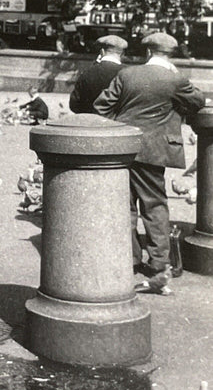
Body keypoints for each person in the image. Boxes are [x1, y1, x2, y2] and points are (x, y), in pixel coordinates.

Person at [94, 33, 205, 274]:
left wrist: (123, 127)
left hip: (124, 148)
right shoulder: (175, 79)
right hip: (154, 151)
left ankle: (130, 257)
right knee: (154, 205)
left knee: (125, 205)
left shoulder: (127, 74)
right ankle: (158, 260)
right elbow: (197, 101)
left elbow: (101, 107)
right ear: (171, 55)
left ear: (147, 52)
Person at [69, 35, 128, 114]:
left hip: (91, 123)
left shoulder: (88, 72)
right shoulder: (128, 73)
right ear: (122, 54)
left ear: (102, 52)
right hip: (118, 124)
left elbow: (74, 104)